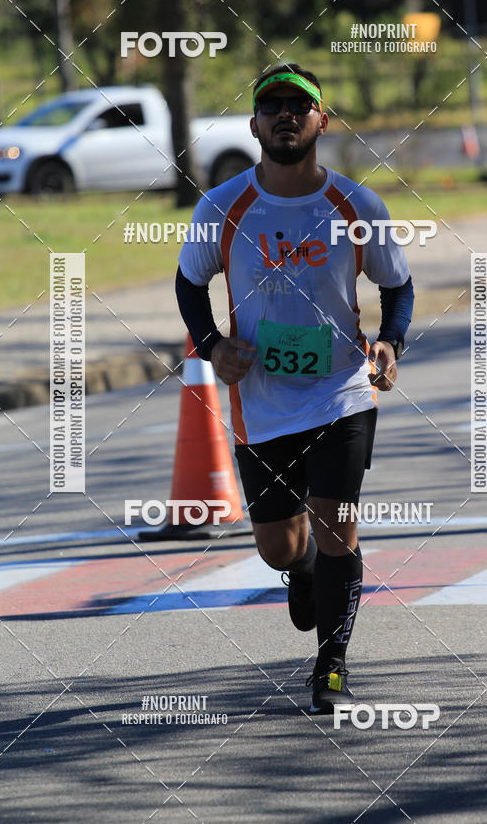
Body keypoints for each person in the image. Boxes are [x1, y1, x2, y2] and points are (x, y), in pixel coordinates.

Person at [174, 63, 414, 714]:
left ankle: (331, 664)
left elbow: (399, 284)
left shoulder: (356, 206)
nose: (285, 114)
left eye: (298, 105)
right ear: (254, 125)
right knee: (280, 545)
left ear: (321, 121)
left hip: (341, 392)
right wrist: (214, 345)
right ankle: (301, 572)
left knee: (337, 527)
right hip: (263, 400)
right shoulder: (222, 207)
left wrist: (391, 341)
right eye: (271, 105)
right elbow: (189, 282)